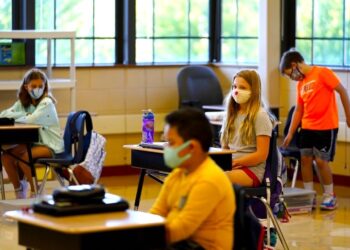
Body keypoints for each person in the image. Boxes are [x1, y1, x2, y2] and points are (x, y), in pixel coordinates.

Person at [149, 108, 235, 250]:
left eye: (170, 142)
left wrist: (141, 237)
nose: (166, 148)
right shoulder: (177, 174)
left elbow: (180, 229)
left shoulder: (209, 179)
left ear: (192, 147)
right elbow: (156, 213)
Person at [279, 48, 350, 210]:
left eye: (290, 74)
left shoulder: (322, 73)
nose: (292, 78)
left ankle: (329, 196)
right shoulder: (301, 85)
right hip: (307, 128)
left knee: (320, 161)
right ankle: (309, 195)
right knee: (305, 160)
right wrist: (290, 133)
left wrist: (348, 115)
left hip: (325, 128)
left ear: (294, 64)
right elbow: (299, 109)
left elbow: (343, 91)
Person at [0, 68, 64, 199]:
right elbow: (3, 114)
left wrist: (23, 116)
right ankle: (19, 189)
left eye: (41, 86)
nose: (37, 89)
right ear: (26, 86)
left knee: (25, 158)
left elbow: (32, 120)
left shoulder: (47, 102)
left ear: (45, 86)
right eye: (33, 86)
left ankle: (36, 192)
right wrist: (25, 114)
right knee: (6, 156)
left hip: (50, 146)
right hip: (34, 144)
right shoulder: (23, 103)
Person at [220, 69, 275, 187]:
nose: (236, 91)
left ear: (253, 91)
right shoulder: (231, 114)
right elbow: (225, 148)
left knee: (216, 179)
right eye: (234, 87)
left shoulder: (260, 115)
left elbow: (261, 154)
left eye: (242, 88)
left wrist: (236, 162)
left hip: (251, 171)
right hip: (232, 166)